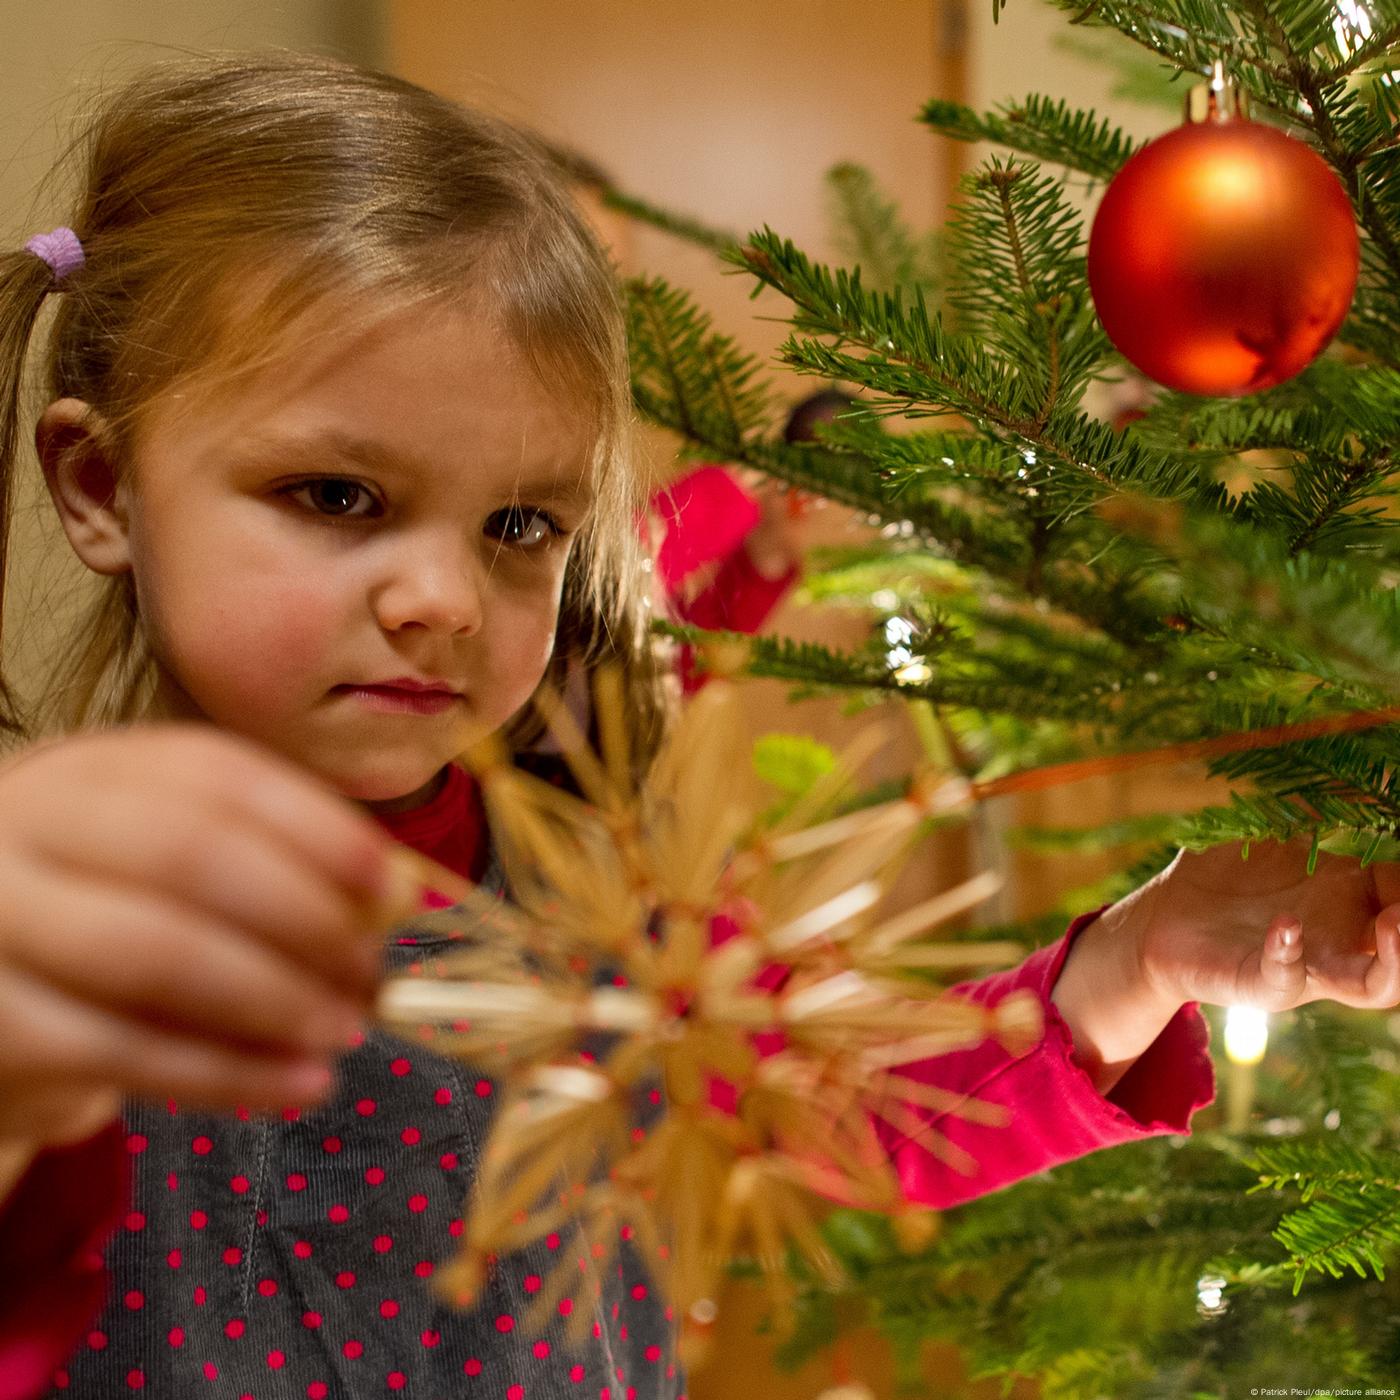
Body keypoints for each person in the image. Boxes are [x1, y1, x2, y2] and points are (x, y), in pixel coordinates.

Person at [0, 50, 1395, 1400]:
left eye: (516, 526)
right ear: (102, 487)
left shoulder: (598, 900)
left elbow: (849, 1102)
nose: (442, 598)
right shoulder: (43, 916)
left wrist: (1137, 957)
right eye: (337, 496)